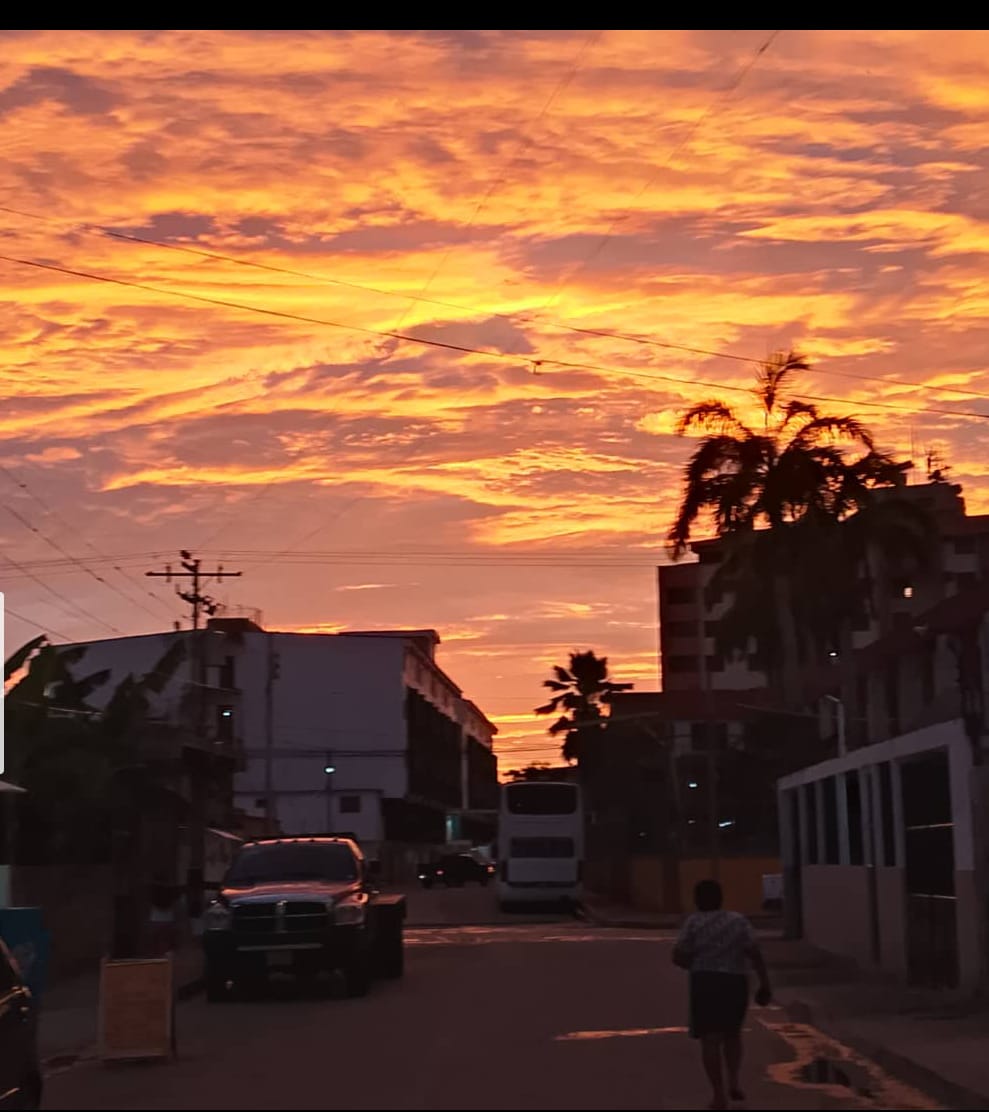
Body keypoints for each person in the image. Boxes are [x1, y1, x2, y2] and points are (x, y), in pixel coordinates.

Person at [672, 879, 772, 1110]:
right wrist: (765, 984)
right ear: (721, 898)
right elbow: (754, 953)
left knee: (710, 1039)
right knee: (732, 1034)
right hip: (734, 982)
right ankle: (734, 1080)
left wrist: (696, 962)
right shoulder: (738, 921)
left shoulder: (693, 923)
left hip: (705, 982)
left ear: (697, 900)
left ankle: (718, 1094)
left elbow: (678, 955)